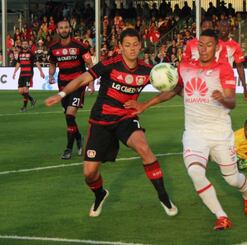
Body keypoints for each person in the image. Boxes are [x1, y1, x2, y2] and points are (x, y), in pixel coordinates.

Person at [124, 29, 247, 230]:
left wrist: (223, 99)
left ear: (217, 47)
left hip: (220, 132)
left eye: (209, 45)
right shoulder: (185, 66)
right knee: (195, 172)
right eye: (200, 45)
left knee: (232, 180)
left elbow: (231, 101)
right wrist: (145, 105)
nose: (203, 49)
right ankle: (221, 216)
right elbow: (174, 91)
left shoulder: (224, 69)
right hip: (194, 133)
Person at [44, 28, 178, 218]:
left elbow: (174, 88)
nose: (132, 49)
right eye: (127, 45)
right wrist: (61, 94)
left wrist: (145, 104)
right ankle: (100, 194)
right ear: (120, 47)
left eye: (135, 44)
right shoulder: (110, 64)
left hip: (126, 118)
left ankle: (164, 197)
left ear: (141, 46)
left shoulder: (148, 71)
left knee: (143, 147)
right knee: (89, 174)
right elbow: (83, 78)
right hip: (101, 120)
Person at [48, 20, 94, 160]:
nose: (63, 30)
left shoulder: (80, 46)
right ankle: (78, 137)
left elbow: (90, 64)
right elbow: (52, 64)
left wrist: (91, 83)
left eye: (66, 27)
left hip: (78, 83)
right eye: (61, 28)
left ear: (70, 28)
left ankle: (68, 148)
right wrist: (50, 75)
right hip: (63, 85)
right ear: (57, 30)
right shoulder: (53, 47)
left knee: (70, 114)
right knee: (69, 118)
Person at [217, 20, 247, 101]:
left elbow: (240, 66)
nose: (223, 29)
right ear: (218, 28)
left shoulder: (235, 45)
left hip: (226, 78)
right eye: (222, 26)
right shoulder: (212, 42)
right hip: (212, 77)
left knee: (224, 107)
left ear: (229, 29)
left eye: (226, 27)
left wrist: (244, 87)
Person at [12, 40, 45, 112]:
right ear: (22, 45)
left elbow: (37, 62)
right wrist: (14, 72)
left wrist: (41, 72)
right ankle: (32, 99)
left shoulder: (31, 53)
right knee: (20, 91)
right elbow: (18, 63)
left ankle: (24, 107)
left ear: (28, 45)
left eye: (26, 44)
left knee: (25, 90)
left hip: (29, 74)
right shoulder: (20, 53)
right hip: (22, 74)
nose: (24, 45)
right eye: (23, 44)